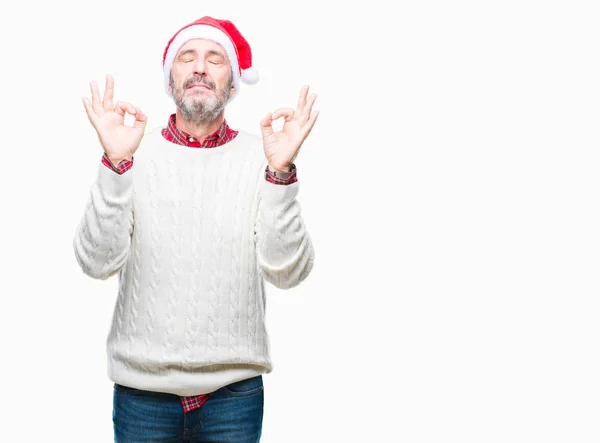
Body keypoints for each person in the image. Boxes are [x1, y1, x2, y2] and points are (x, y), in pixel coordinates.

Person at [73, 15, 318, 442]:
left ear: (233, 81)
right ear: (171, 80)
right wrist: (115, 167)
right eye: (186, 58)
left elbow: (287, 271)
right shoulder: (132, 152)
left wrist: (279, 173)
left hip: (234, 398)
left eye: (215, 59)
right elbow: (95, 262)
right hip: (142, 396)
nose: (200, 68)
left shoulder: (261, 157)